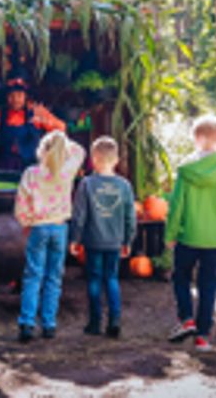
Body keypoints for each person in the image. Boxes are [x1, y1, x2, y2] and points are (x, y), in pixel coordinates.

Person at [165, 115, 216, 352]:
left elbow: (176, 205)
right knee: (209, 285)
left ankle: (186, 317)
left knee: (181, 277)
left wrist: (171, 233)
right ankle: (203, 336)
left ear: (196, 138)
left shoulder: (186, 169)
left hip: (189, 235)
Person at [14, 130, 86, 342]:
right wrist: (60, 140)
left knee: (33, 275)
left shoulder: (31, 173)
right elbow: (80, 150)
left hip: (38, 228)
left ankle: (27, 323)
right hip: (59, 228)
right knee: (54, 277)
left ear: (41, 150)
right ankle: (49, 324)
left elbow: (21, 203)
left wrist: (26, 222)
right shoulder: (66, 172)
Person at [69, 136, 136, 339]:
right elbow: (130, 216)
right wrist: (128, 240)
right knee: (112, 278)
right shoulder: (124, 186)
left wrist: (75, 238)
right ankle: (115, 320)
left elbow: (79, 215)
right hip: (115, 241)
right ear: (115, 160)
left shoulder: (87, 184)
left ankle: (95, 323)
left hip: (93, 241)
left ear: (94, 159)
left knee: (95, 279)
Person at [0, 75, 66, 172]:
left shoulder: (36, 112)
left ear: (26, 96)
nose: (15, 99)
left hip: (32, 169)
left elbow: (61, 128)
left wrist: (46, 121)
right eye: (11, 95)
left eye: (19, 95)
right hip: (6, 168)